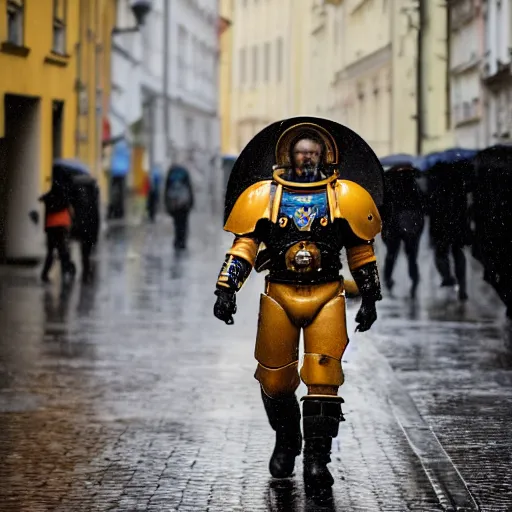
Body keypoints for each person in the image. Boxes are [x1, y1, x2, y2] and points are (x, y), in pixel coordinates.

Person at [212, 118, 384, 499]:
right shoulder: (263, 196)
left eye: (314, 153)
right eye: (301, 152)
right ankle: (287, 438)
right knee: (274, 380)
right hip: (280, 293)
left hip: (326, 293)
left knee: (324, 378)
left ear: (325, 155)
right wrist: (226, 287)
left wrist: (370, 295)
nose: (307, 158)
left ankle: (317, 459)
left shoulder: (345, 195)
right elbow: (245, 245)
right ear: (287, 154)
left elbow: (361, 250)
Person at [472, 145, 512, 318]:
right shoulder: (492, 178)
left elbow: (478, 206)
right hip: (498, 229)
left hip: (492, 229)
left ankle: (508, 298)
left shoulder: (484, 177)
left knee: (497, 269)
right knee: (502, 268)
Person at [427, 161, 471, 301]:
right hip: (457, 222)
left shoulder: (435, 182)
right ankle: (462, 286)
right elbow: (464, 204)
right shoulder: (459, 181)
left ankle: (447, 276)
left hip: (440, 223)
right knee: (457, 252)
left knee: (440, 252)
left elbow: (430, 205)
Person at [381, 165, 425, 298]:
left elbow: (383, 208)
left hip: (393, 226)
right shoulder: (413, 187)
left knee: (391, 254)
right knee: (411, 255)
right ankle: (414, 278)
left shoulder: (390, 187)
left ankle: (388, 279)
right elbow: (422, 206)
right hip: (410, 225)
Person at [39, 183, 75, 284]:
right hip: (61, 227)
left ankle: (44, 274)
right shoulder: (64, 196)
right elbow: (71, 211)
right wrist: (72, 222)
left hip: (50, 227)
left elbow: (41, 199)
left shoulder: (49, 196)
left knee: (50, 252)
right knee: (63, 250)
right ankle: (65, 272)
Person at [164, 165, 194, 249]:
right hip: (184, 204)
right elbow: (189, 188)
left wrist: (167, 204)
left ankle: (177, 240)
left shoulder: (171, 174)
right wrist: (191, 203)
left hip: (174, 203)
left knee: (177, 223)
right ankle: (182, 241)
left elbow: (166, 190)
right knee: (183, 223)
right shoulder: (184, 174)